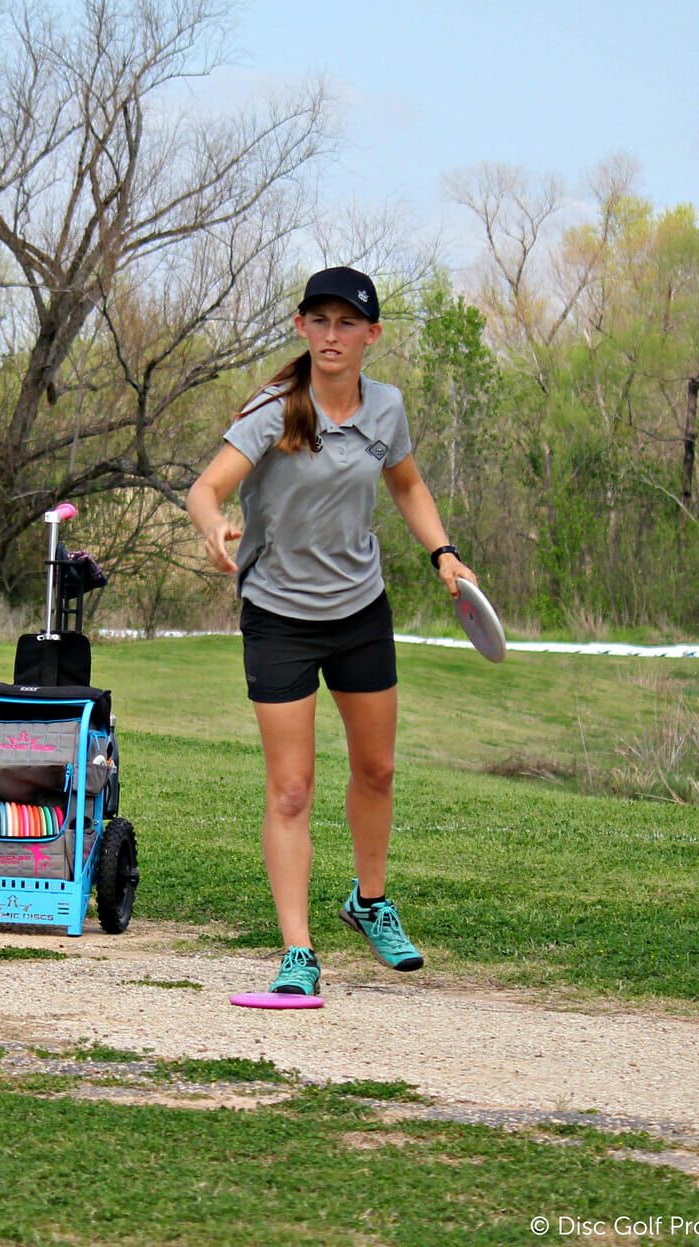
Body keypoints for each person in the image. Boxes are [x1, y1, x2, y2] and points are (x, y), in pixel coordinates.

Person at [185, 266, 476, 998]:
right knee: (291, 789)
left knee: (377, 770)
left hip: (359, 613)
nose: (332, 335)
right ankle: (298, 951)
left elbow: (406, 483)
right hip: (279, 617)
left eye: (347, 322)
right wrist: (212, 524)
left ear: (372, 334)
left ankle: (369, 903)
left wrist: (442, 552)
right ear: (301, 327)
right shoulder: (275, 409)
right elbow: (206, 487)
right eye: (319, 320)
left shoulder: (386, 408)